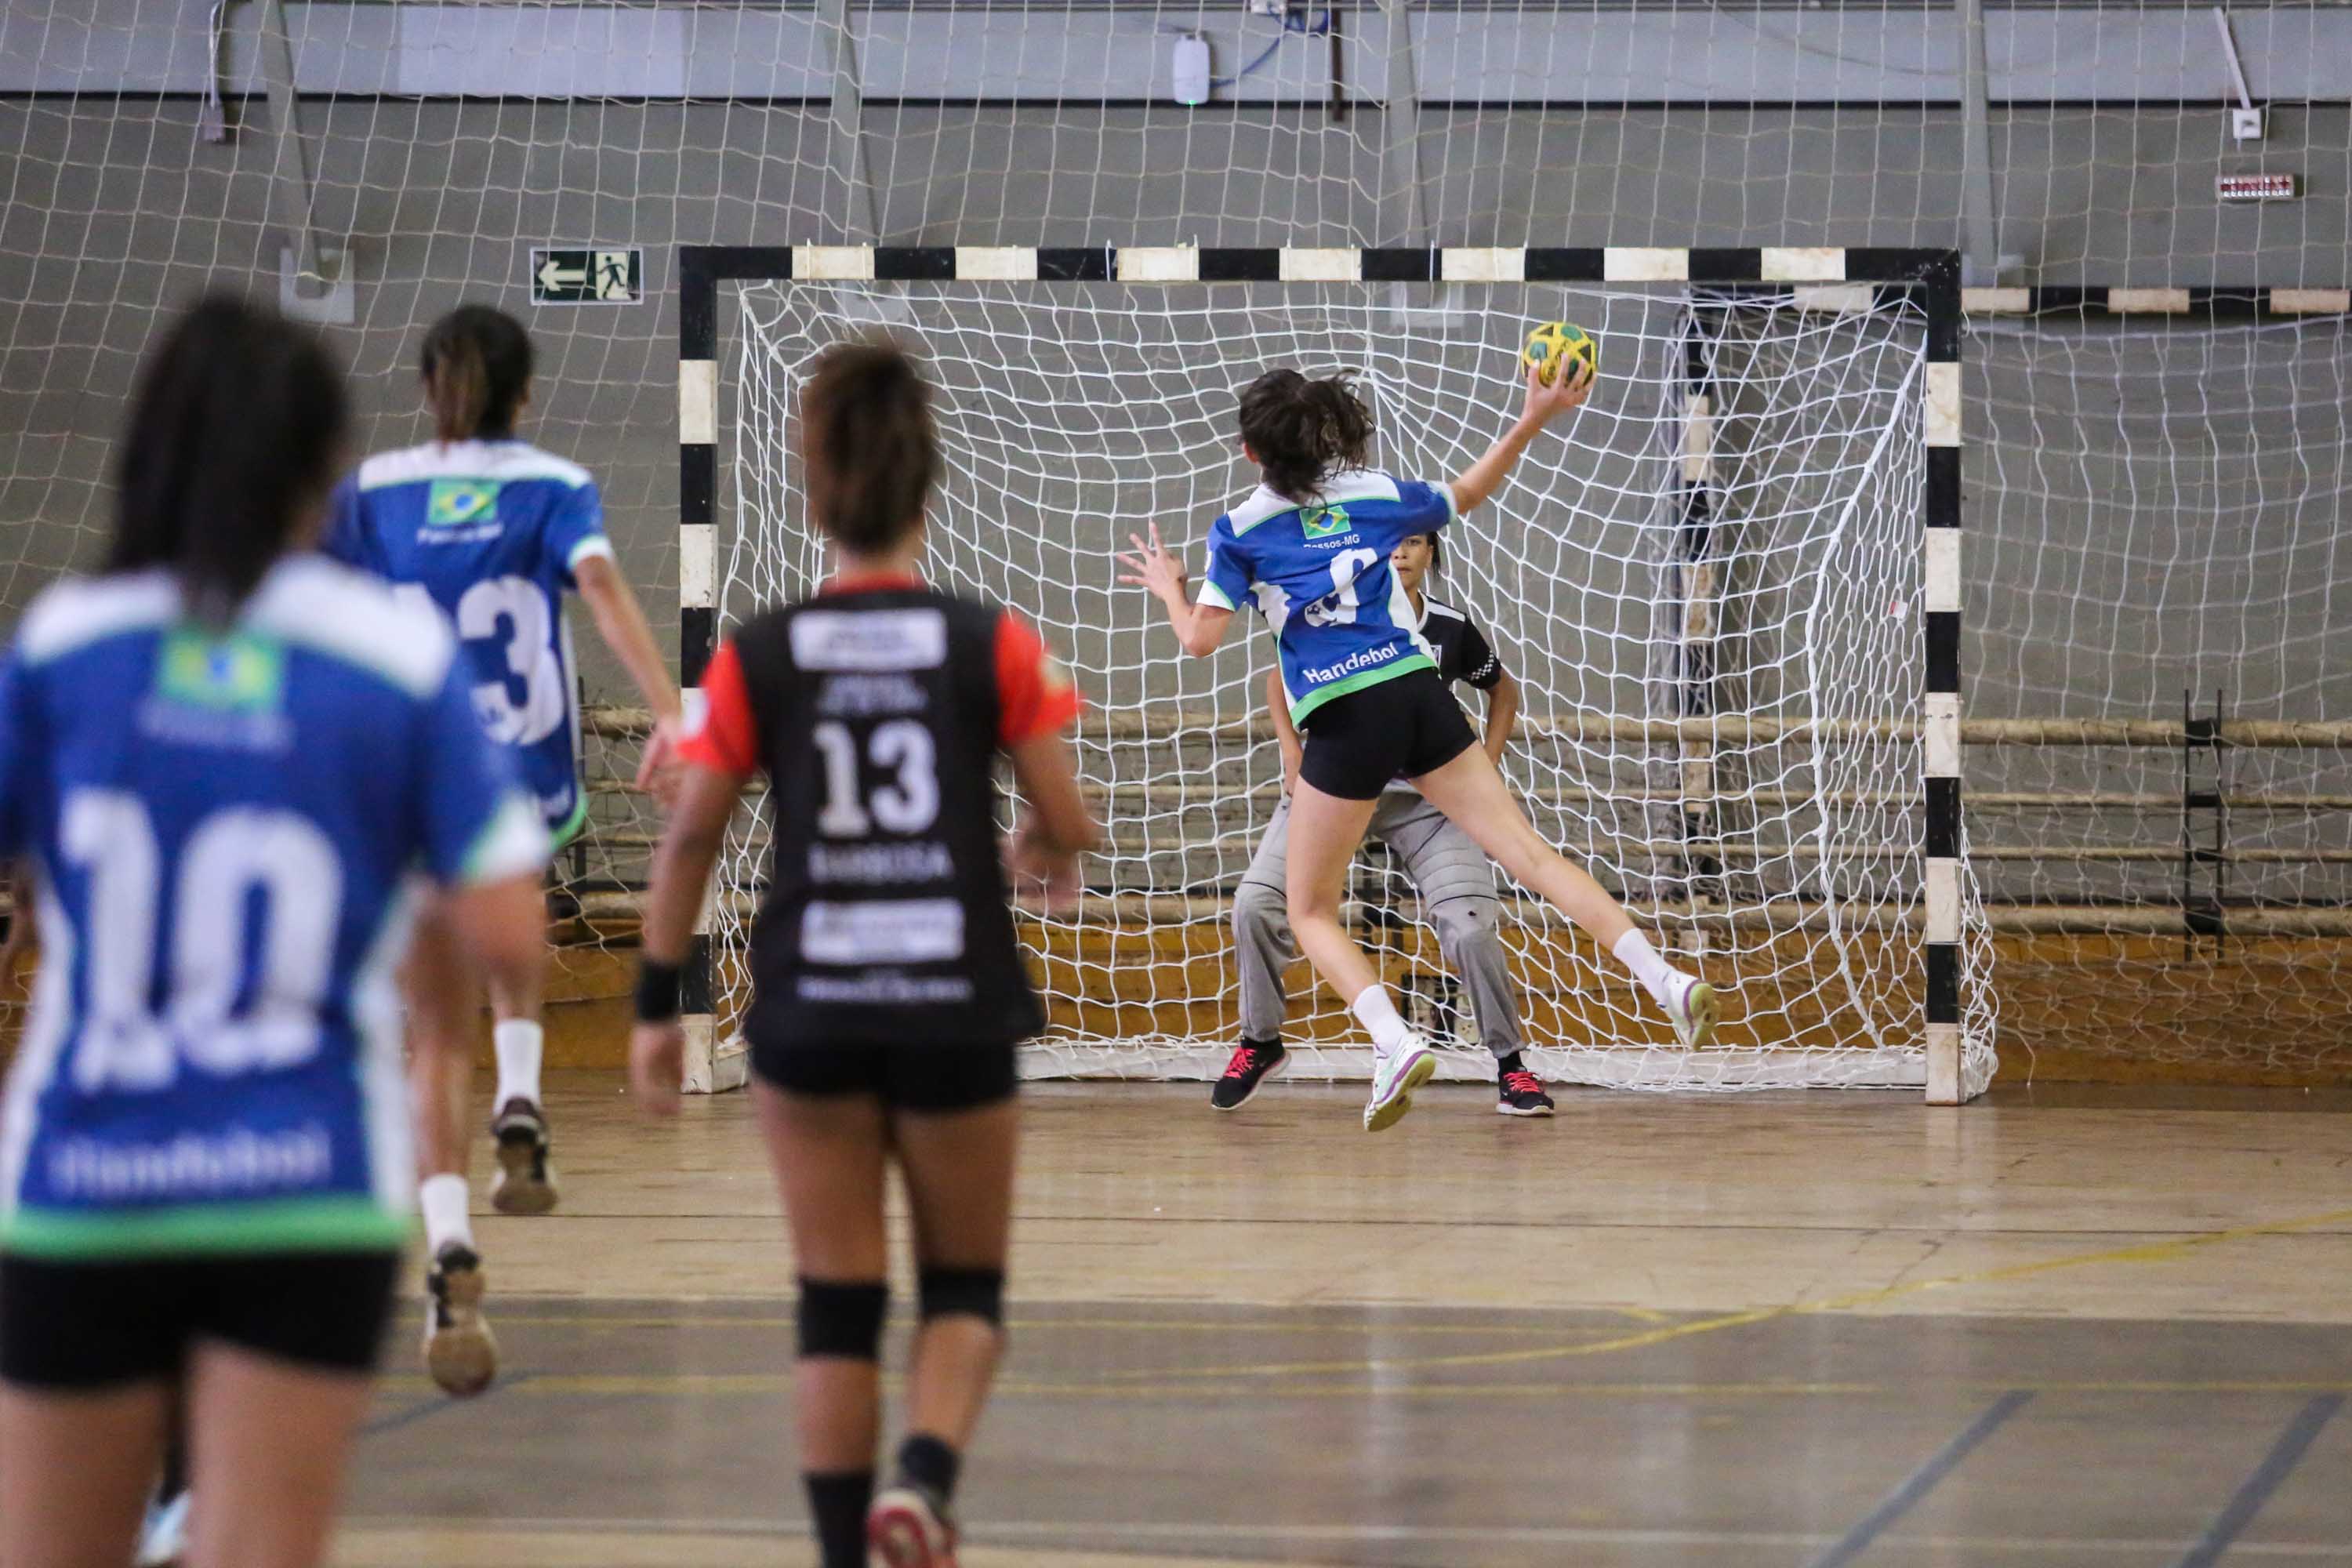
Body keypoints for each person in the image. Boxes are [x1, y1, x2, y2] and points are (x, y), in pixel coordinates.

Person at [0, 296, 546, 1568]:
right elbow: (511, 930)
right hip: (301, 1176)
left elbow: (32, 881)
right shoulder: (387, 659)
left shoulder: (65, 648)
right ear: (321, 473)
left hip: (89, 1173)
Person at [629, 339, 1097, 1568]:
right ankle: (923, 1482)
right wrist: (1035, 851)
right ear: (928, 491)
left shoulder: (762, 653)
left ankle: (848, 1553)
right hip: (952, 996)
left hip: (812, 1004)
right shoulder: (991, 641)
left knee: (836, 1308)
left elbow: (688, 845)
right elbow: (1069, 817)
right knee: (963, 1294)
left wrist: (647, 1006)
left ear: (817, 496)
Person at [1122, 359, 1716, 1133]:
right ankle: (1664, 978)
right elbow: (1468, 493)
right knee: (1531, 855)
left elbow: (1201, 640)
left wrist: (1171, 584)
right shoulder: (1373, 492)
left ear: (1250, 451)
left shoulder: (1240, 529)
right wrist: (1535, 413)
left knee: (1307, 909)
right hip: (1418, 692)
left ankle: (1393, 1041)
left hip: (1345, 713)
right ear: (1327, 436)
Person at [325, 304, 684, 1392]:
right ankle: (521, 1097)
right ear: (525, 395)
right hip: (518, 770)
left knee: (429, 1036)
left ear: (427, 389)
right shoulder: (551, 485)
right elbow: (604, 591)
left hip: (406, 774)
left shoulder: (372, 493)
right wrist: (671, 708)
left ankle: (447, 1251)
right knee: (512, 948)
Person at [1218, 528, 1556, 1116]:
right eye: (1390, 543)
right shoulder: (1332, 613)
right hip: (1335, 791)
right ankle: (1260, 1040)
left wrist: (1485, 768)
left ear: (1431, 556)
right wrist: (1292, 757)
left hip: (1427, 800)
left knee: (1471, 925)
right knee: (1254, 904)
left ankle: (1511, 1066)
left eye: (1416, 543)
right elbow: (1277, 679)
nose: (1400, 553)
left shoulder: (1451, 628)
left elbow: (1504, 691)